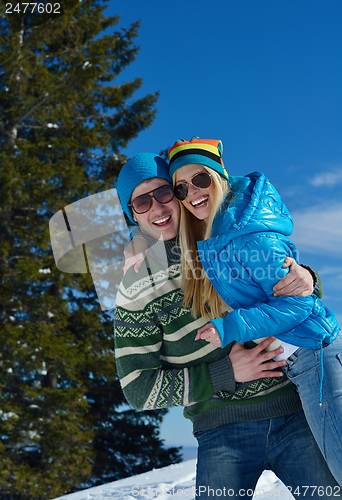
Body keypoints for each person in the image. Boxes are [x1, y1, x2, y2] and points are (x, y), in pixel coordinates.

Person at [114, 152, 341, 499]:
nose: (157, 208)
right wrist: (225, 374)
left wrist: (308, 277)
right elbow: (138, 387)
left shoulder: (219, 240)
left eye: (163, 193)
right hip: (222, 429)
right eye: (142, 202)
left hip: (294, 410)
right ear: (132, 213)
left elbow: (285, 290)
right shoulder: (135, 285)